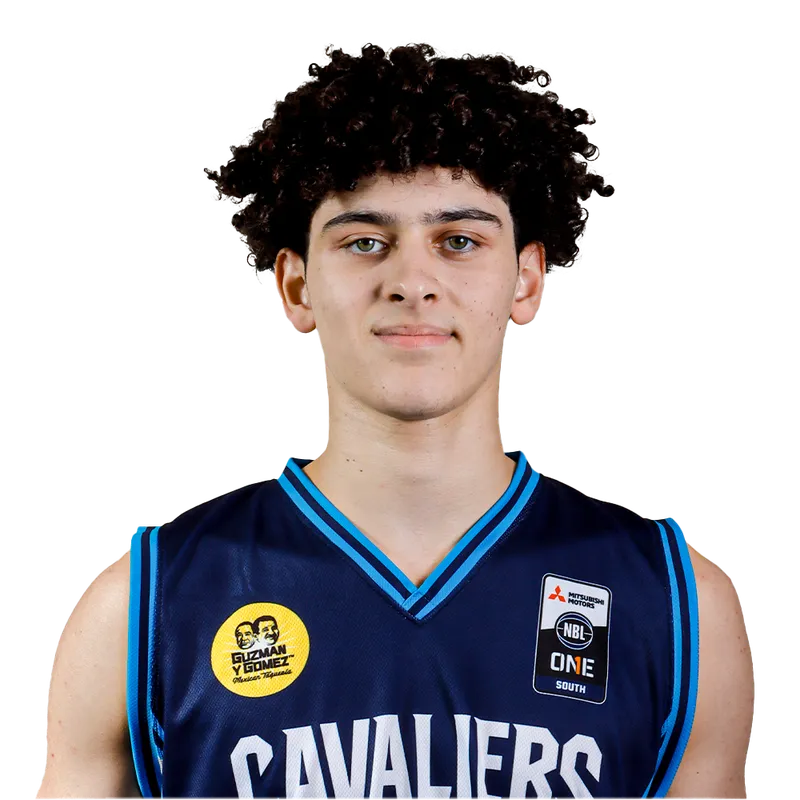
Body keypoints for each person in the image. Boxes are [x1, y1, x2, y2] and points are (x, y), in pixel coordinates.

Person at [37, 41, 754, 799]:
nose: (412, 281)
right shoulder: (142, 604)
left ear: (526, 280)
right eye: (366, 242)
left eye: (459, 241)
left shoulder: (676, 603)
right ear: (296, 287)